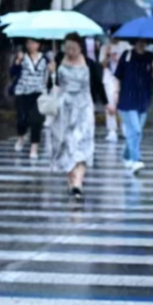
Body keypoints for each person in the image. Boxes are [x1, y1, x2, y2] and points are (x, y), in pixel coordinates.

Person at [49, 33, 106, 199]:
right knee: (67, 146)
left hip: (84, 110)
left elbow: (97, 85)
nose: (70, 51)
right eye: (67, 48)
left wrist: (105, 103)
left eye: (73, 48)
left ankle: (78, 182)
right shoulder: (58, 59)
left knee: (82, 146)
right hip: (64, 110)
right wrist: (51, 74)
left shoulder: (90, 63)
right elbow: (51, 86)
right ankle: (71, 181)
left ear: (80, 47)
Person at [112, 38, 153, 174]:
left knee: (135, 132)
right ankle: (136, 159)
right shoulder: (126, 55)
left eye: (144, 41)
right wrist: (116, 92)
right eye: (139, 40)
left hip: (143, 98)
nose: (142, 43)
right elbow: (117, 76)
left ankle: (126, 155)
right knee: (136, 130)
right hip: (127, 98)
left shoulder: (150, 56)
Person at [12, 38, 50, 160]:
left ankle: (34, 147)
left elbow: (51, 77)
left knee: (36, 120)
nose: (30, 45)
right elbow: (12, 73)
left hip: (39, 93)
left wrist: (53, 70)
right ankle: (21, 137)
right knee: (22, 119)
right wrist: (17, 61)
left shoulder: (45, 59)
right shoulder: (22, 56)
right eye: (28, 43)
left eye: (33, 43)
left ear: (38, 44)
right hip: (22, 92)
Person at [100, 36, 128, 142]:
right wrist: (107, 55)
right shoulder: (104, 47)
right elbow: (103, 64)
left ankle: (124, 127)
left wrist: (119, 59)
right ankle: (112, 130)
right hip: (109, 77)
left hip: (122, 78)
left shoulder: (125, 46)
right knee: (110, 104)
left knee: (123, 104)